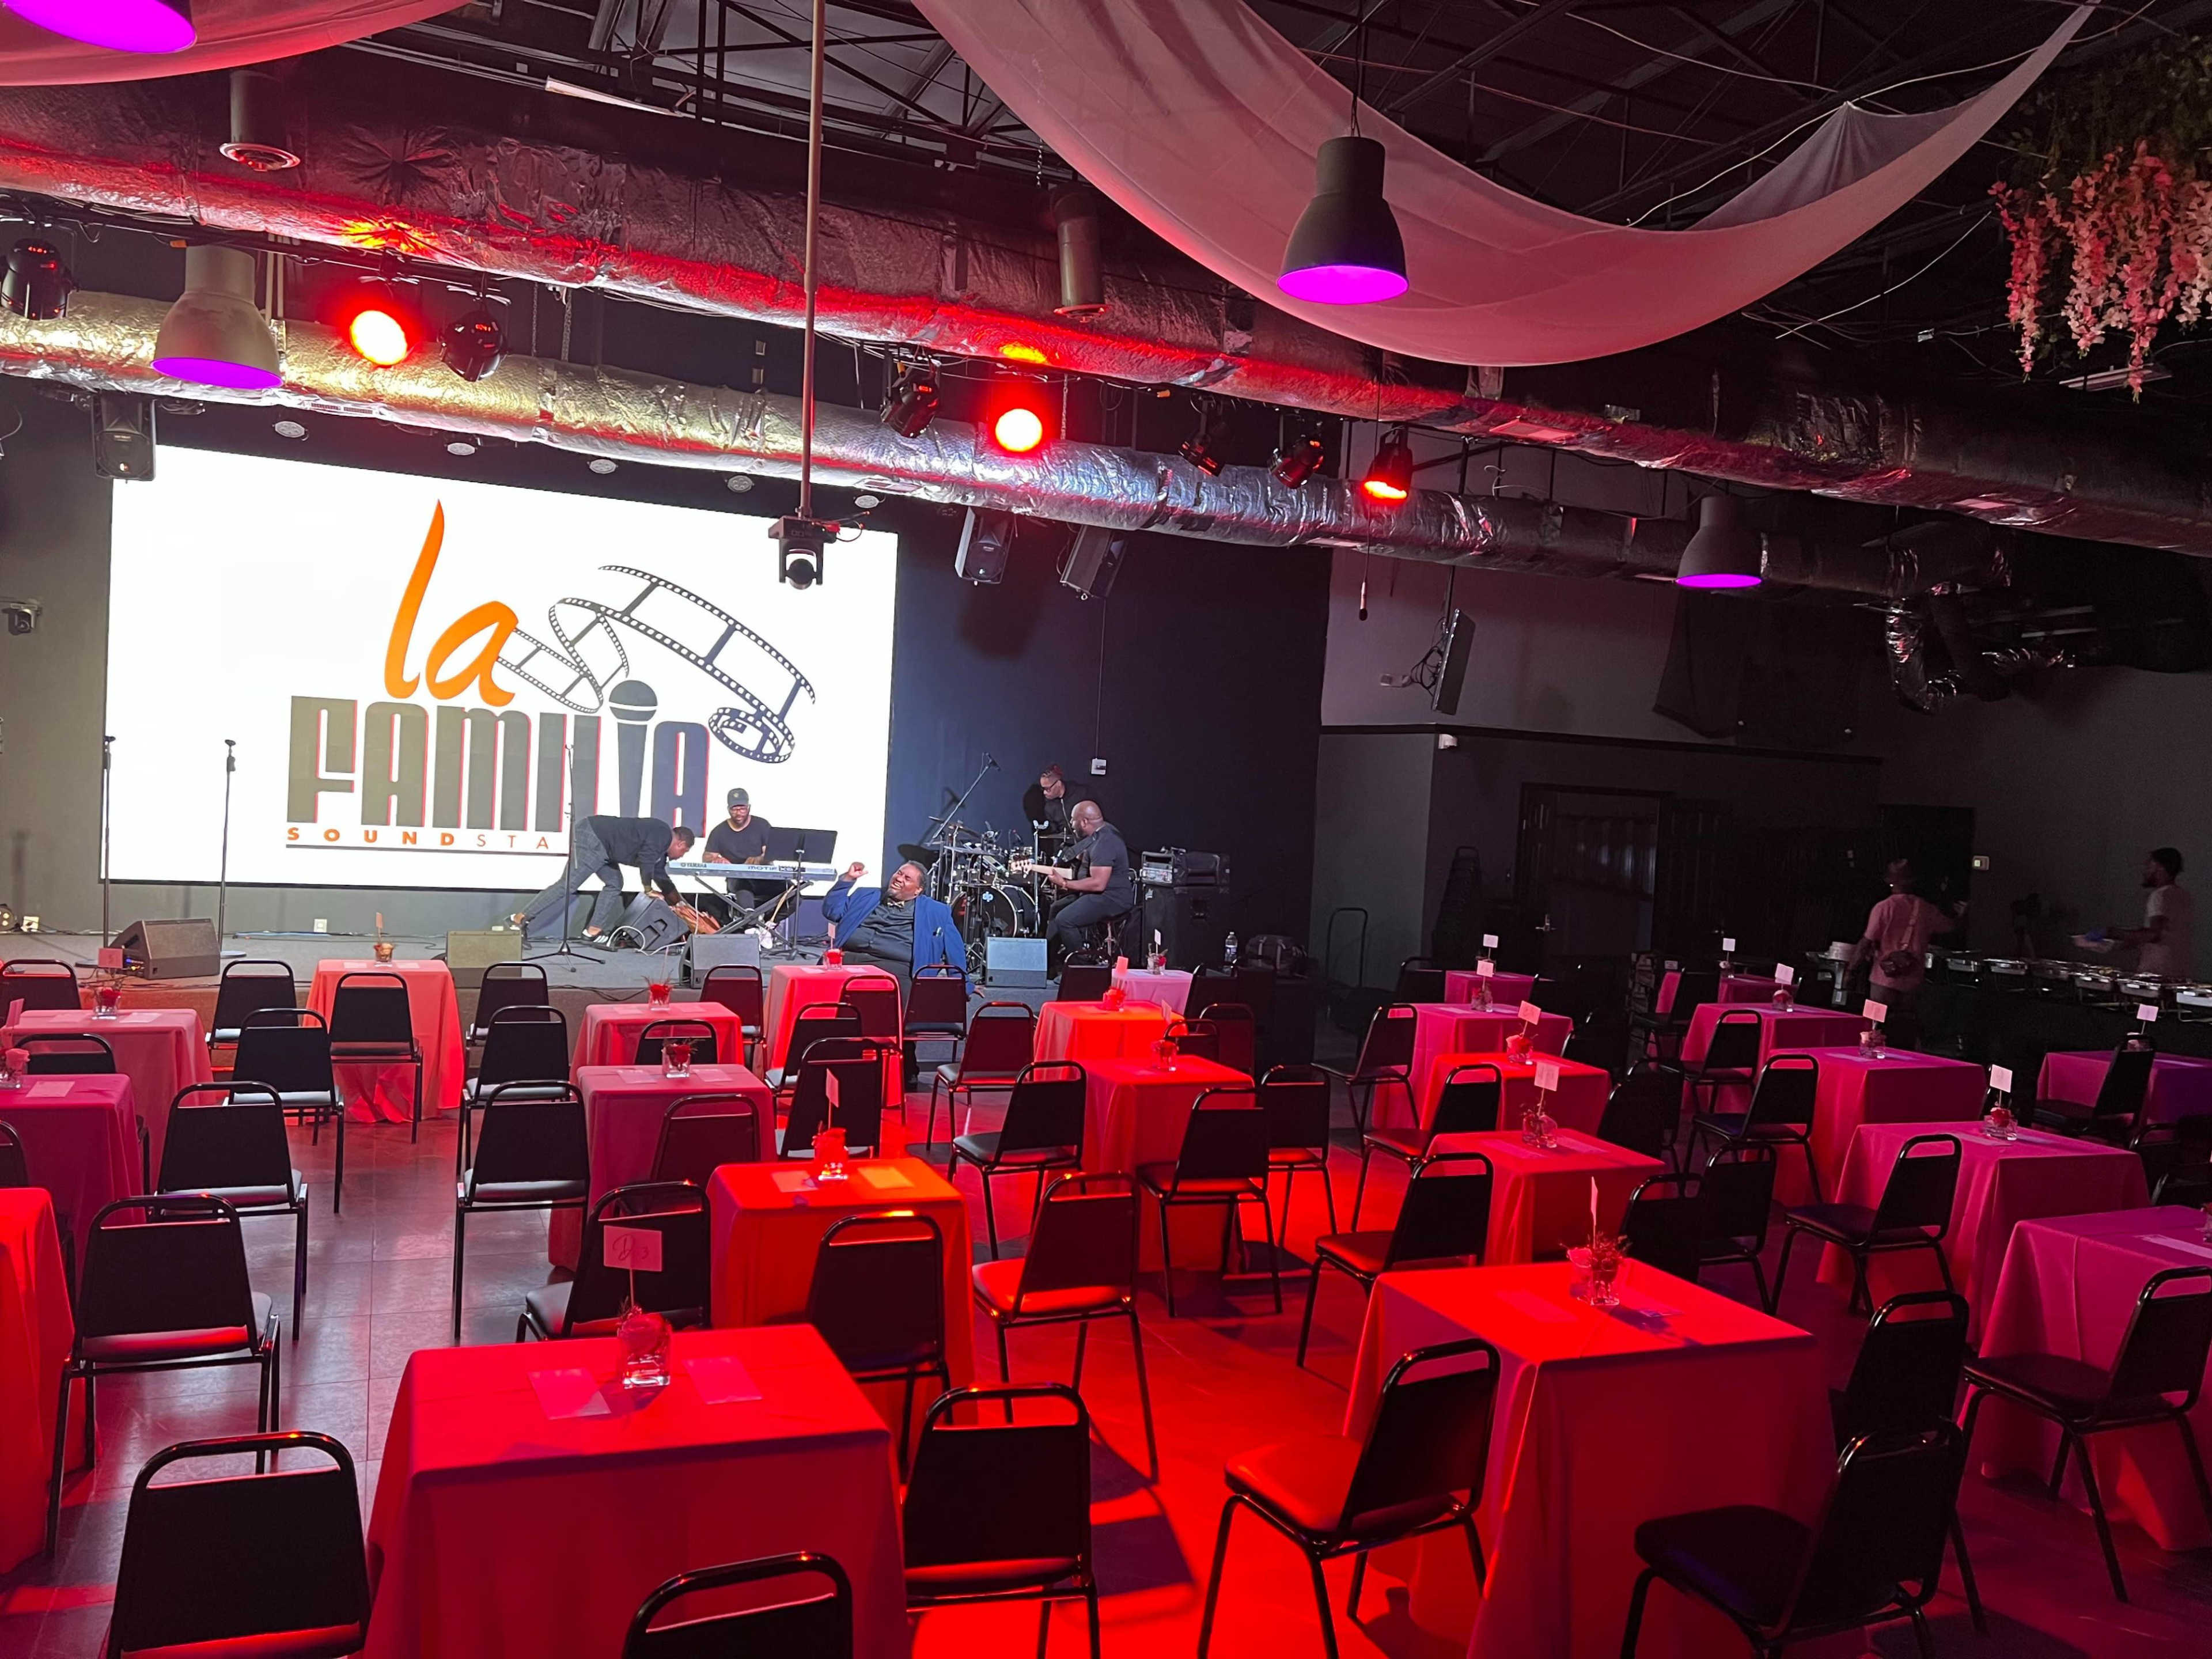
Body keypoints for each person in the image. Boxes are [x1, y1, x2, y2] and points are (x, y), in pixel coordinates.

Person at [516, 815, 694, 944]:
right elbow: (647, 860)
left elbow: (661, 877)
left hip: (605, 849)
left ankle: (592, 931)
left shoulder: (660, 850)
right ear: (680, 844)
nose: (680, 857)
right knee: (568, 885)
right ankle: (519, 920)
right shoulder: (662, 833)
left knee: (614, 883)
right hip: (594, 837)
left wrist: (680, 904)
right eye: (684, 852)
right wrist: (648, 889)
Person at [821, 859, 964, 992]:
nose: (899, 879)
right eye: (899, 873)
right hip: (850, 959)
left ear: (918, 890)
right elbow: (832, 912)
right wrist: (848, 879)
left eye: (907, 879)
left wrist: (963, 985)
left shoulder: (936, 911)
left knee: (897, 1008)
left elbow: (954, 948)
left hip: (896, 967)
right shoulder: (865, 895)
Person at [1851, 858, 1955, 1014]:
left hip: (1882, 982)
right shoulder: (1926, 909)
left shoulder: (1883, 908)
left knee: (1873, 1028)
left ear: (1889, 881)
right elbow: (1950, 927)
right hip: (1912, 985)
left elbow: (1866, 943)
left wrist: (1851, 971)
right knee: (1903, 1029)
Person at [1040, 800, 1135, 967]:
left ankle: (1082, 969)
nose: (1071, 823)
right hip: (1097, 894)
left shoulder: (1105, 841)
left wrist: (1064, 883)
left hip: (1112, 898)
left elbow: (1099, 884)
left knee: (1065, 920)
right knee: (1056, 909)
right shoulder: (1099, 835)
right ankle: (1048, 966)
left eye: (1073, 819)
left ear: (1084, 822)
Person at [700, 787, 782, 922]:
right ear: (728, 809)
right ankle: (752, 925)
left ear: (749, 807)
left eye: (742, 809)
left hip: (763, 878)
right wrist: (716, 860)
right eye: (734, 809)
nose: (739, 813)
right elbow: (707, 857)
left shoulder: (762, 825)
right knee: (742, 885)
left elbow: (770, 854)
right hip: (737, 880)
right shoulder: (719, 831)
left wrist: (759, 860)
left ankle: (768, 925)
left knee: (793, 894)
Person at [2113, 847, 2196, 980]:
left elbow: (2154, 934)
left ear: (2160, 868)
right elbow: (2169, 935)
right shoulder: (2184, 896)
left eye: (2149, 866)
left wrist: (2113, 933)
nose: (2145, 871)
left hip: (2155, 975)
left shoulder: (2159, 896)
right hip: (2179, 973)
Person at [1022, 764, 1073, 851]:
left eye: (1048, 789)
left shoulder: (1081, 794)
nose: (1045, 793)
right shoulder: (1049, 807)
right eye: (1043, 789)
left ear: (1058, 784)